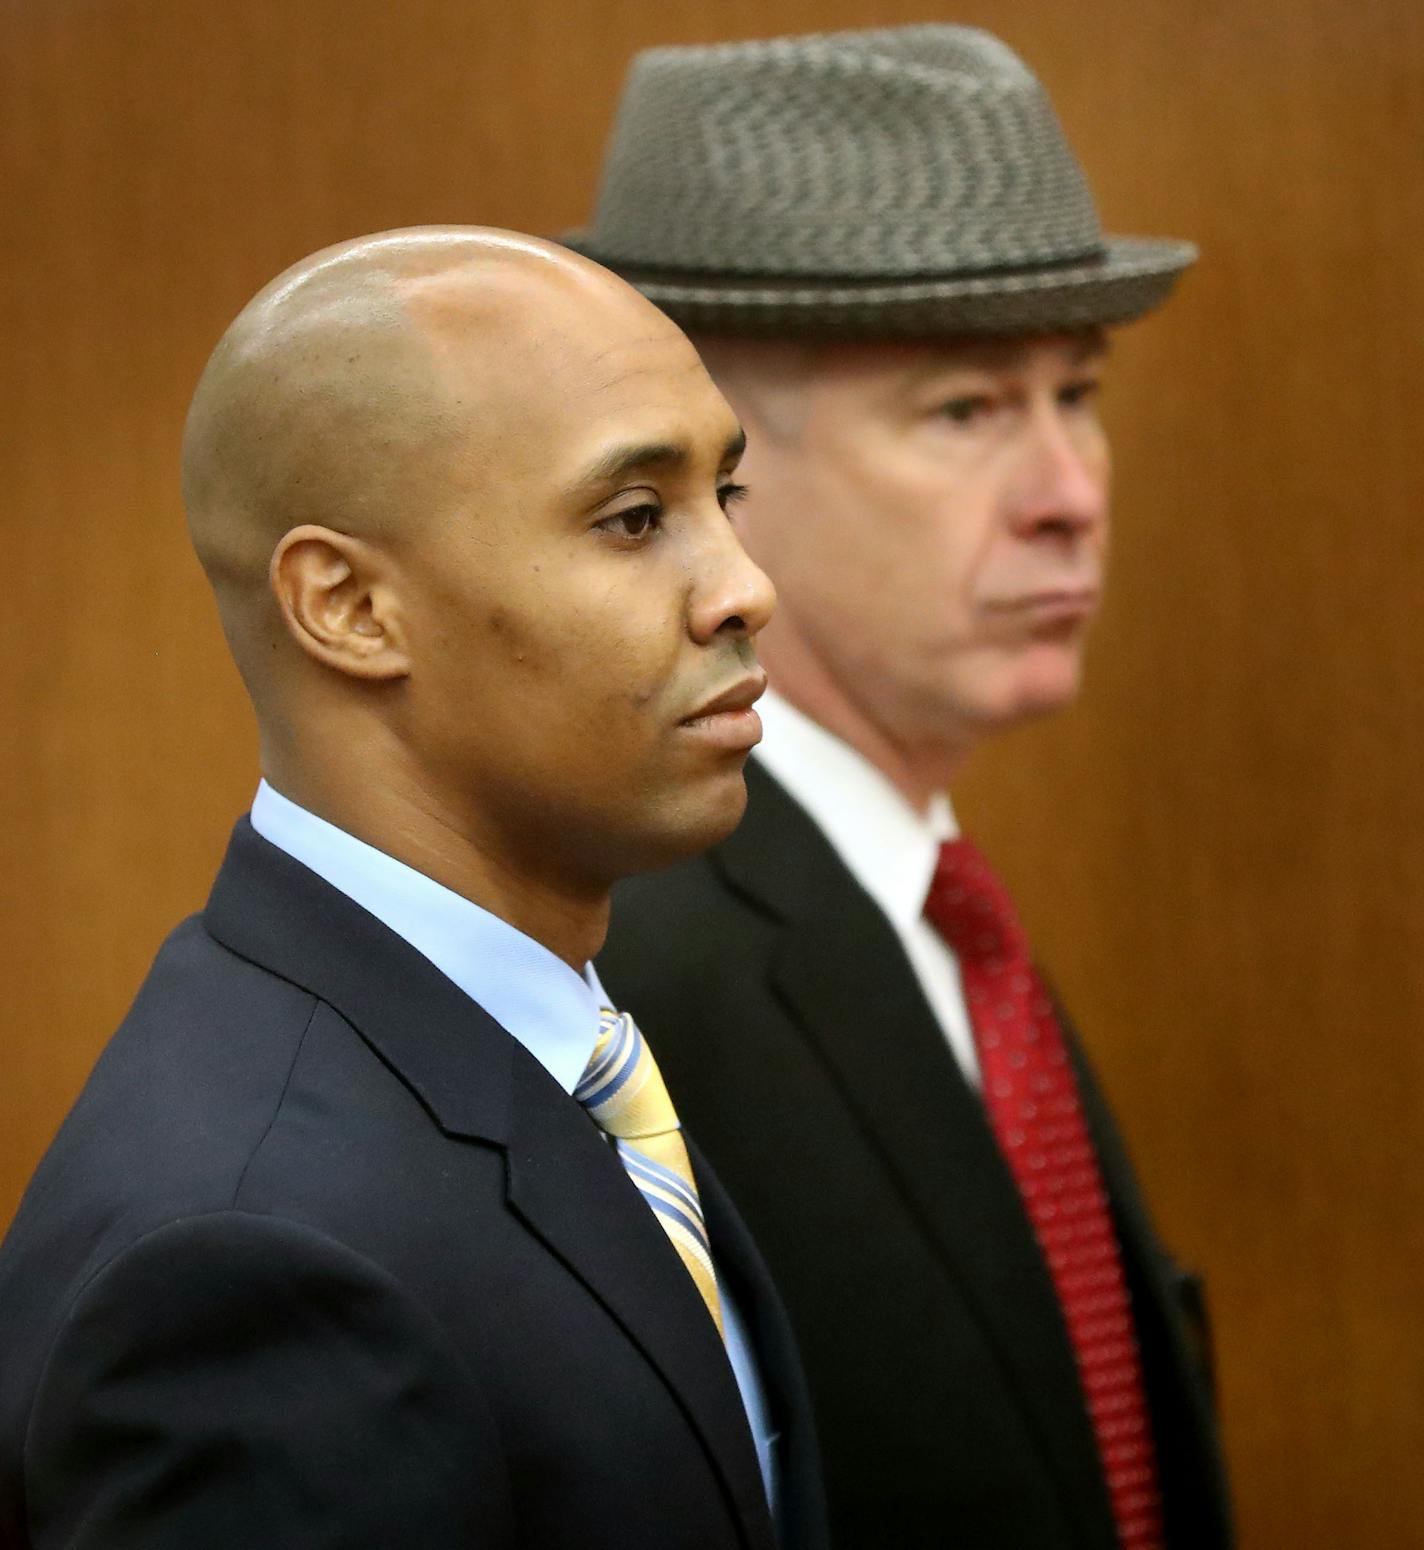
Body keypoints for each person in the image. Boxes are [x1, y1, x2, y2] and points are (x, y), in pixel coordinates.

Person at [0, 227, 829, 1549]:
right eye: (635, 518)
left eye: (727, 494)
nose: (744, 585)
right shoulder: (248, 1266)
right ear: (347, 607)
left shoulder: (553, 1058)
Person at [577, 26, 1234, 1550]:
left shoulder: (943, 912)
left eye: (1077, 392)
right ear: (709, 465)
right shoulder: (627, 994)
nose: (1072, 492)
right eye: (965, 410)